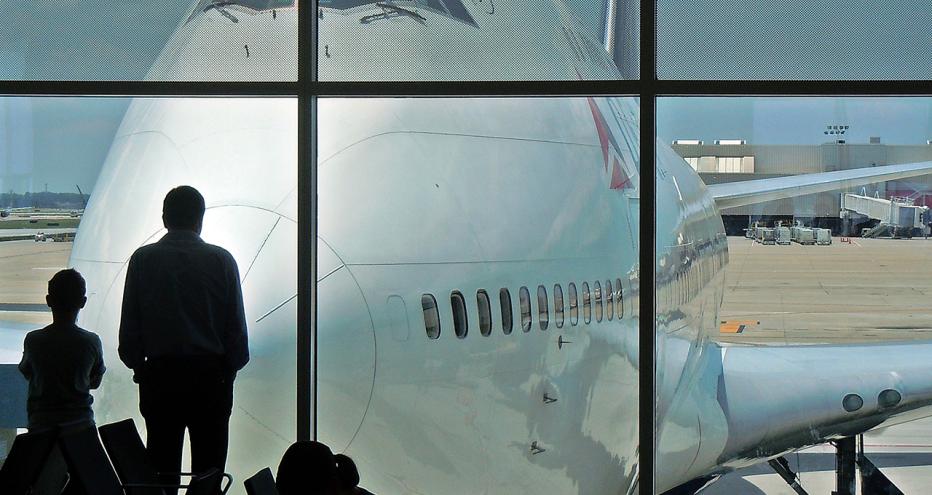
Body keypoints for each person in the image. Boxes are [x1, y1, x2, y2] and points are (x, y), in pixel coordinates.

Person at [119, 185, 248, 495]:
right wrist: (226, 373)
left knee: (161, 474)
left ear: (164, 218)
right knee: (210, 474)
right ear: (200, 220)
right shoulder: (222, 260)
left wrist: (142, 369)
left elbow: (129, 331)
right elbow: (237, 336)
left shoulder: (142, 260)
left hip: (161, 379)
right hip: (210, 380)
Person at [19, 269, 105, 431]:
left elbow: (27, 372)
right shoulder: (91, 341)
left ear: (48, 300)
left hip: (41, 425)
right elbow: (95, 382)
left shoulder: (34, 340)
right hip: (80, 426)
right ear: (83, 302)